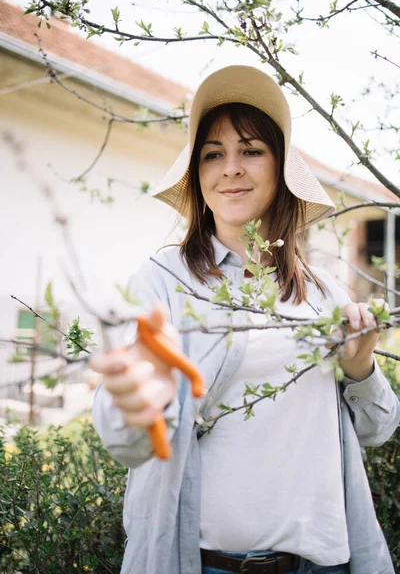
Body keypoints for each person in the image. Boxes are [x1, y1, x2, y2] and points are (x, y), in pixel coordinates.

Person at [90, 65, 399, 574]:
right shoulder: (163, 283)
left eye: (251, 150)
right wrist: (134, 396)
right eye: (213, 154)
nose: (231, 167)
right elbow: (124, 436)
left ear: (280, 168)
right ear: (198, 176)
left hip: (322, 566)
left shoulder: (322, 294)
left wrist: (361, 366)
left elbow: (378, 429)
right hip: (207, 565)